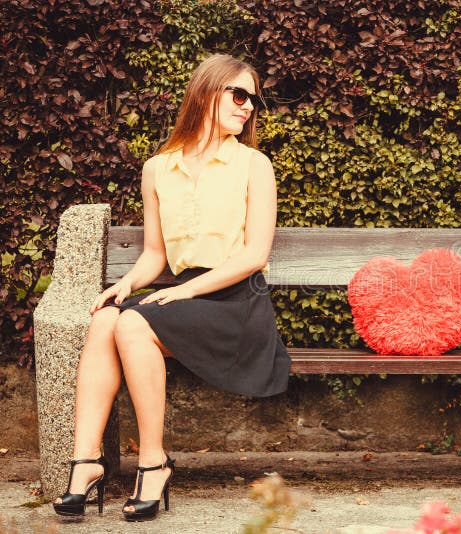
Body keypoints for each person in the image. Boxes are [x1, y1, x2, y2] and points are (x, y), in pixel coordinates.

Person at [52, 54, 290, 521]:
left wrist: (183, 293)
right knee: (106, 318)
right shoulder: (158, 169)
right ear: (206, 93)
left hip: (237, 302)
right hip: (182, 297)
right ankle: (85, 464)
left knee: (133, 325)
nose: (248, 108)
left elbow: (254, 255)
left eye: (253, 101)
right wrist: (125, 285)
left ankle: (153, 464)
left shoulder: (254, 165)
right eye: (239, 95)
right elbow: (155, 255)